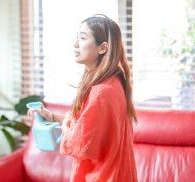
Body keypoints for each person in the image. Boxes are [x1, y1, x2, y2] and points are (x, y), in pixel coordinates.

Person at [28, 14, 138, 182]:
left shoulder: (102, 92)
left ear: (102, 48)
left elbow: (82, 142)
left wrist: (63, 128)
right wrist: (51, 116)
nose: (75, 44)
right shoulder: (113, 83)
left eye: (83, 38)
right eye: (77, 37)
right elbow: (89, 125)